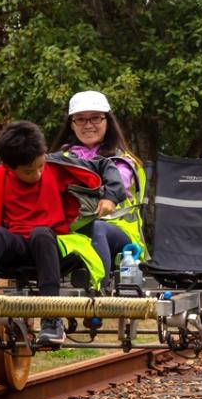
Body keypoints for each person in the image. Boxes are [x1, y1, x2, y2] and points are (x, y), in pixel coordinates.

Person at [0, 121, 126, 345]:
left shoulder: (57, 167)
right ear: (10, 169)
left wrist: (110, 196)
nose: (38, 173)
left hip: (54, 248)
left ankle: (52, 321)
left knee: (41, 234)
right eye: (29, 172)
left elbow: (105, 166)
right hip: (16, 248)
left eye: (40, 165)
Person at [50, 90, 145, 282]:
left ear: (107, 121)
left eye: (95, 118)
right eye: (81, 119)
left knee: (97, 227)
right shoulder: (60, 158)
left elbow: (112, 186)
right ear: (72, 124)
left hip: (120, 235)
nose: (88, 125)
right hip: (72, 231)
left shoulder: (123, 161)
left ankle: (99, 292)